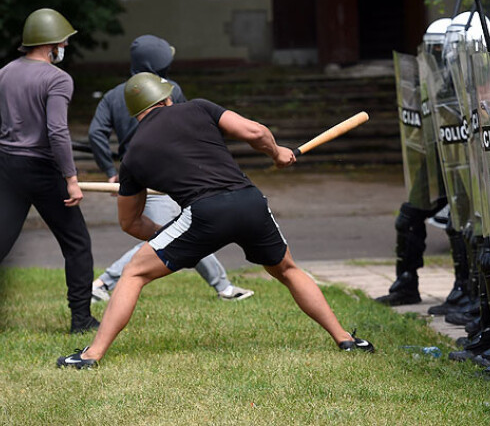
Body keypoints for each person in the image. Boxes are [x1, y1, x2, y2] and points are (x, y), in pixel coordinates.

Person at [57, 72, 374, 367]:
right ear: (168, 98)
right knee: (288, 270)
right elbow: (256, 132)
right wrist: (277, 153)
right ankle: (345, 339)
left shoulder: (134, 154)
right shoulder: (198, 108)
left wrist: (169, 238)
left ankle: (92, 354)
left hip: (204, 215)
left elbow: (131, 223)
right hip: (250, 202)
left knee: (134, 273)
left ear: (135, 113)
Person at [87, 34, 253, 302]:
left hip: (136, 174)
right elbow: (187, 129)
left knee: (186, 228)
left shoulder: (114, 95)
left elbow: (96, 135)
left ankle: (223, 287)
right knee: (168, 233)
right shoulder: (170, 90)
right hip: (173, 174)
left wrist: (111, 172)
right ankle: (102, 283)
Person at [0, 8, 98, 333]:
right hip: (41, 170)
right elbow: (57, 132)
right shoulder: (57, 79)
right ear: (50, 44)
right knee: (77, 244)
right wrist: (72, 180)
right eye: (64, 43)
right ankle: (82, 321)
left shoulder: (5, 72)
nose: (65, 49)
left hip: (7, 166)